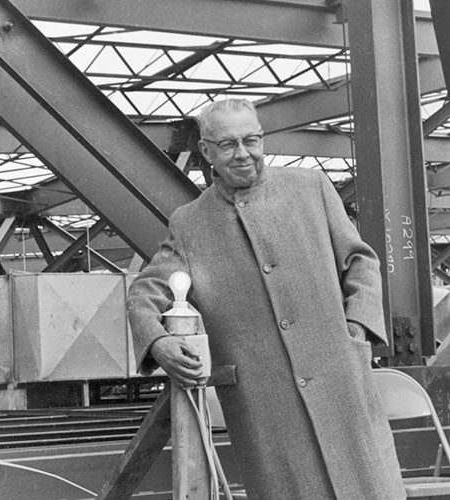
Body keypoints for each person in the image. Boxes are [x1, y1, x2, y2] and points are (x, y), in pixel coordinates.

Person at [127, 98, 405, 499]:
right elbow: (146, 290)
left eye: (251, 140)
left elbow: (361, 260)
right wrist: (157, 340)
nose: (243, 154)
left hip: (338, 376)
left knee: (367, 484)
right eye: (228, 145)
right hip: (264, 399)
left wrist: (355, 328)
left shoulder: (311, 188)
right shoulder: (189, 222)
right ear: (205, 151)